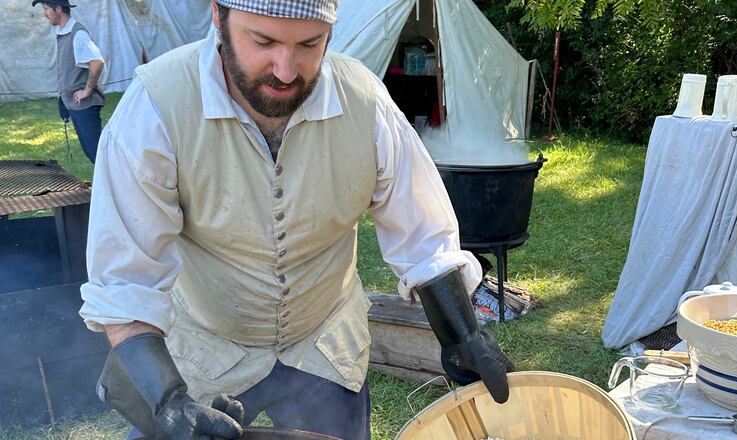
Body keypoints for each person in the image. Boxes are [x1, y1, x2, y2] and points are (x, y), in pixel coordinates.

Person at [79, 1, 515, 439]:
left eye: (309, 43)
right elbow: (125, 279)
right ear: (218, 16)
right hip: (209, 346)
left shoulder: (363, 101)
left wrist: (463, 336)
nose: (286, 71)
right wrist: (165, 401)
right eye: (263, 41)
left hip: (323, 342)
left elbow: (422, 232)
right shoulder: (157, 106)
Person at [33, 0, 105, 163]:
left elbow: (97, 62)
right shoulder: (63, 31)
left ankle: (117, 186)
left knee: (97, 153)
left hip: (85, 104)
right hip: (74, 104)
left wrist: (87, 90)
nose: (44, 14)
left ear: (58, 9)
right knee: (92, 152)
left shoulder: (77, 33)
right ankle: (108, 186)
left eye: (46, 9)